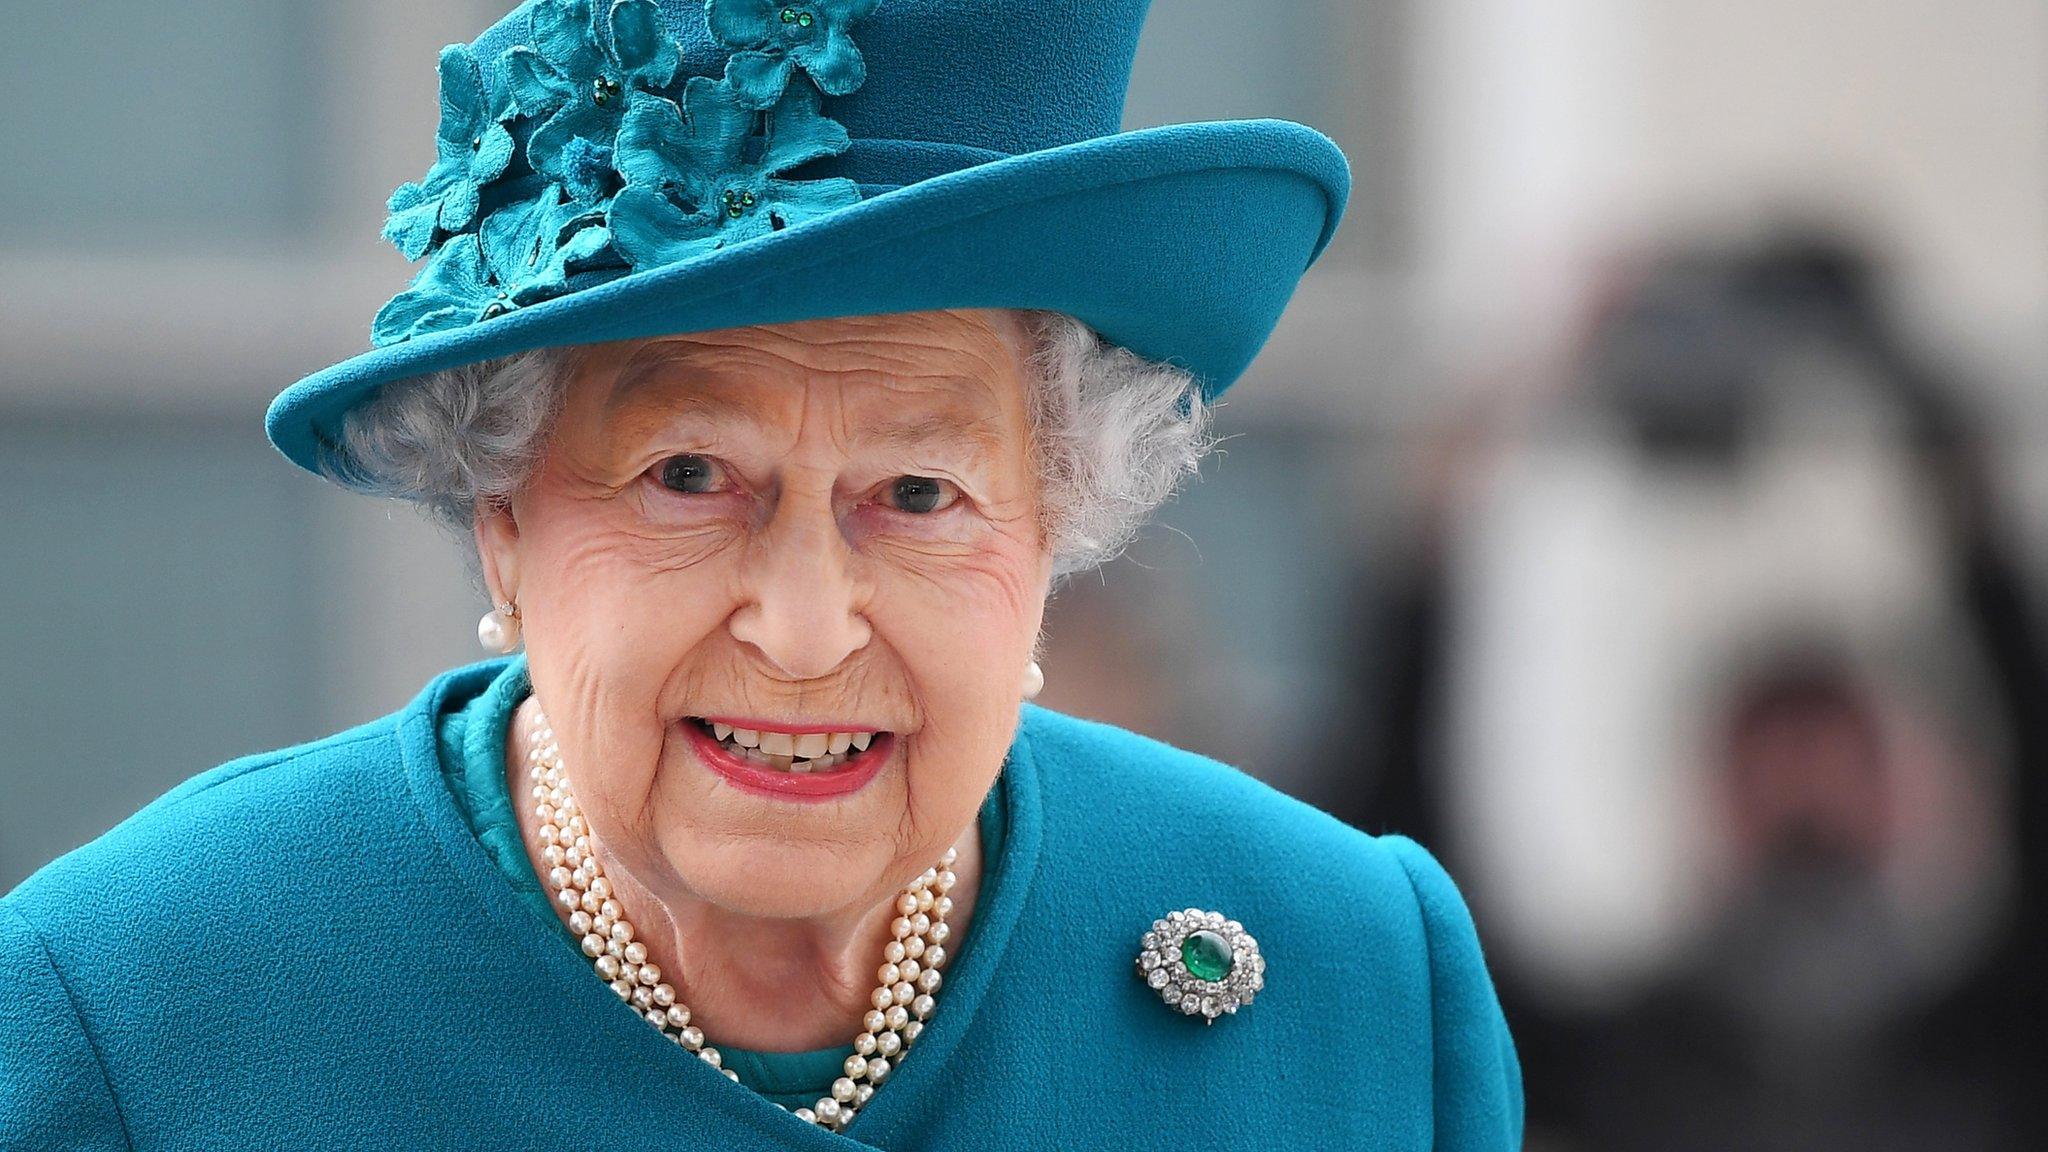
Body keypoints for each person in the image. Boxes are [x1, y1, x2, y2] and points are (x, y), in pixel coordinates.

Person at [0, 0, 1522, 1146]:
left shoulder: (1357, 984)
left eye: (918, 492)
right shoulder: (132, 1017)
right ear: (506, 517)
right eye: (689, 478)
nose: (802, 633)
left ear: (1054, 523)